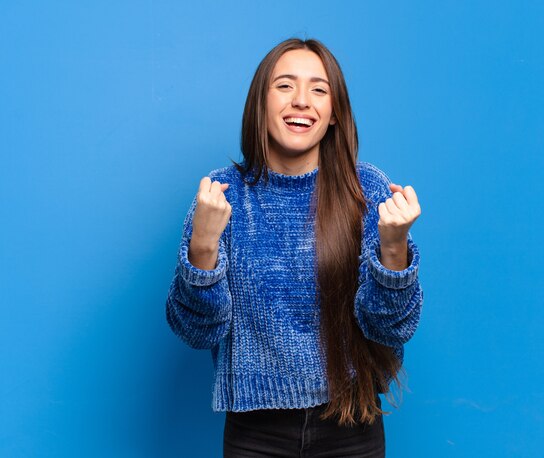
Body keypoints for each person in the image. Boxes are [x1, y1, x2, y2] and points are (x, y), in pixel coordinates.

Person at [165, 37, 423, 457]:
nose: (301, 100)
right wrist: (202, 248)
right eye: (285, 86)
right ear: (260, 103)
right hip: (254, 435)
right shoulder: (222, 195)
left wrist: (393, 252)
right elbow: (195, 332)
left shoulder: (368, 192)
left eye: (319, 89)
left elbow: (391, 329)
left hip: (351, 426)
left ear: (334, 112)